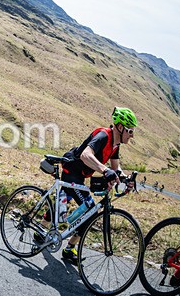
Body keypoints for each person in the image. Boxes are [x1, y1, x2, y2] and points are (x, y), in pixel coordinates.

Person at [56, 107, 137, 263]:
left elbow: (116, 168)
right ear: (120, 127)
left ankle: (44, 232)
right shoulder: (103, 136)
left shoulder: (115, 144)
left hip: (80, 176)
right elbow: (85, 155)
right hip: (71, 171)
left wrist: (126, 179)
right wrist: (104, 170)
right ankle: (68, 249)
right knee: (90, 210)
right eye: (130, 131)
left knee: (62, 206)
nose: (132, 135)